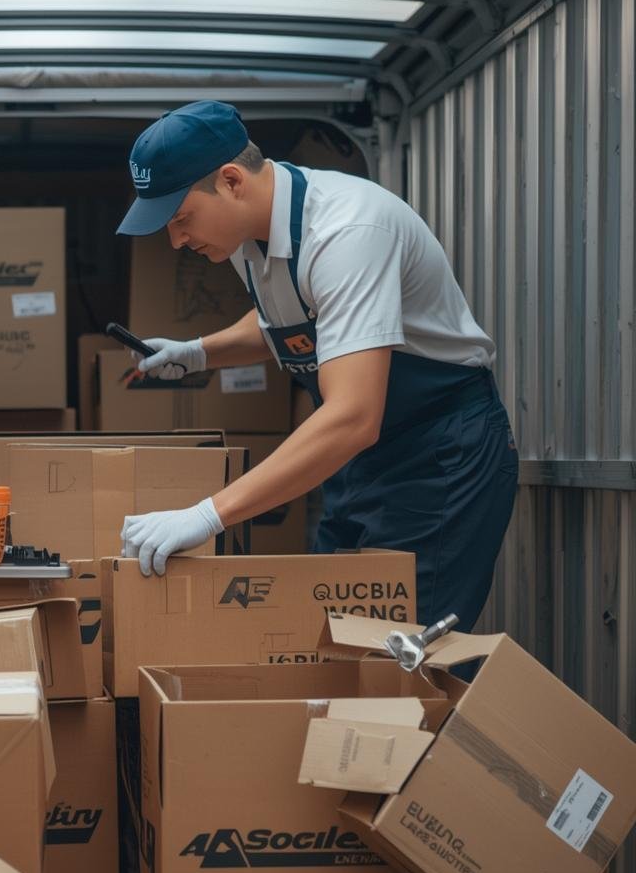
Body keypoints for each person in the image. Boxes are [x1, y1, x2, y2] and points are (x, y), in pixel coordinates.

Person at [116, 101, 517, 629]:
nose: (176, 240)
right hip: (363, 462)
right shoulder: (242, 237)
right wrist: (199, 351)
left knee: (403, 652)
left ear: (232, 181)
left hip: (439, 455)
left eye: (181, 218)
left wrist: (206, 515)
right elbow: (292, 320)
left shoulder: (347, 233)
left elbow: (353, 416)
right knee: (326, 632)